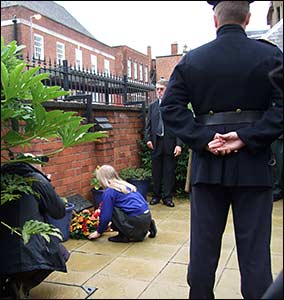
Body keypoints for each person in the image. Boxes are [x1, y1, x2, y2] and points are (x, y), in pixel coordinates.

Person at [160, 1, 283, 299]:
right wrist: (246, 136)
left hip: (207, 166)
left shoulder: (193, 60)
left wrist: (203, 138)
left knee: (202, 252)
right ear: (248, 18)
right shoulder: (270, 56)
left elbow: (171, 108)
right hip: (254, 167)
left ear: (215, 20)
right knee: (255, 258)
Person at [0, 154, 70, 299]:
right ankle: (22, 284)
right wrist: (47, 183)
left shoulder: (3, 179)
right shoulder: (36, 180)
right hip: (27, 242)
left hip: (4, 242)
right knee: (61, 253)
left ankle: (8, 285)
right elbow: (59, 211)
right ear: (34, 166)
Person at [88, 165, 157, 243]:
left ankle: (124, 236)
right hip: (146, 217)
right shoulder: (126, 186)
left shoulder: (110, 192)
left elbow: (106, 216)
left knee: (111, 208)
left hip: (137, 221)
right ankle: (149, 225)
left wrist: (99, 232)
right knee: (120, 206)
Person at [145, 79, 183, 208]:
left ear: (167, 90)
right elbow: (148, 125)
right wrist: (148, 139)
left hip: (170, 143)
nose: (159, 91)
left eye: (161, 89)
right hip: (156, 143)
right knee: (156, 172)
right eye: (157, 89)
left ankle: (167, 197)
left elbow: (179, 127)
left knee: (168, 172)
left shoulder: (174, 106)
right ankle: (156, 196)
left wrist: (178, 144)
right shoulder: (152, 107)